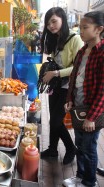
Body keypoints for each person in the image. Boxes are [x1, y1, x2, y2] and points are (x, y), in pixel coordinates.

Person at [63, 11, 104, 187]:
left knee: (88, 148)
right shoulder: (82, 51)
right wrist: (70, 99)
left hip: (91, 111)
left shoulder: (101, 54)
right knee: (80, 144)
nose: (81, 31)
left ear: (99, 29)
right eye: (80, 27)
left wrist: (91, 117)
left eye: (85, 27)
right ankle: (80, 176)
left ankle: (89, 182)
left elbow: (103, 91)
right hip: (78, 107)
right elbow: (74, 77)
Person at [40, 7, 84, 165]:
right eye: (48, 23)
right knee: (53, 118)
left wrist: (56, 74)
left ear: (63, 20)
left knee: (57, 121)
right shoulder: (55, 39)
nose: (51, 26)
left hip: (69, 87)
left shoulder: (75, 39)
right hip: (56, 86)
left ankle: (71, 148)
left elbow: (78, 67)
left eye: (54, 21)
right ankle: (52, 150)